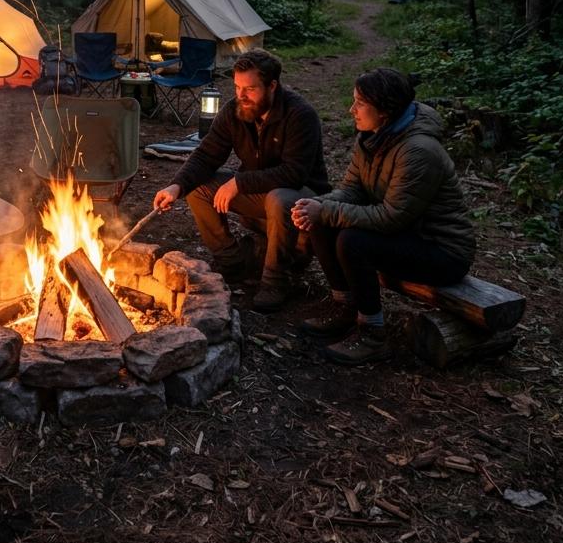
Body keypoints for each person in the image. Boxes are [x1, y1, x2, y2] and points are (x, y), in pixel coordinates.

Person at [291, 68, 475, 365]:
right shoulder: (372, 137)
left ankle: (373, 334)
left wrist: (325, 209)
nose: (352, 110)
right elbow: (351, 189)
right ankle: (346, 308)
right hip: (407, 235)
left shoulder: (419, 151)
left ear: (386, 111)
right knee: (322, 222)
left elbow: (392, 218)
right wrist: (316, 206)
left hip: (442, 250)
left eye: (360, 103)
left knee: (352, 241)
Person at [153, 48, 331, 313]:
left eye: (250, 89)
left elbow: (294, 173)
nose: (241, 96)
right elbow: (206, 155)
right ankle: (232, 262)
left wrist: (239, 183)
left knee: (279, 197)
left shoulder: (299, 115)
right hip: (261, 196)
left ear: (272, 85)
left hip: (303, 199)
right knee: (198, 187)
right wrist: (176, 186)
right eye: (237, 87)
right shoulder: (235, 111)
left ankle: (275, 281)